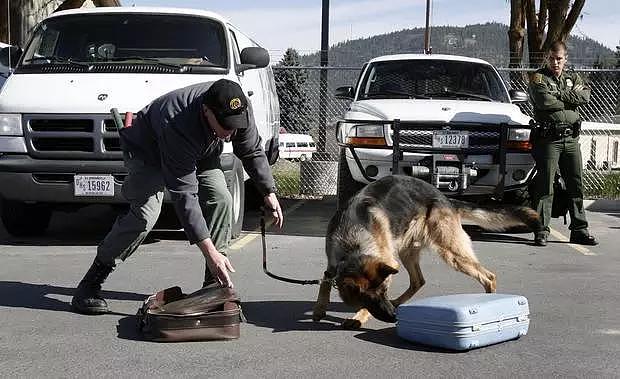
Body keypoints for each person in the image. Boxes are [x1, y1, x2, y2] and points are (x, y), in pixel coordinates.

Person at [71, 79, 284, 314]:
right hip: (149, 152)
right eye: (225, 125)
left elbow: (251, 150)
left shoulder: (238, 107)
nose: (231, 132)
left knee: (221, 198)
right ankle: (90, 283)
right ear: (206, 111)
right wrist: (210, 252)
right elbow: (185, 195)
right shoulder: (177, 121)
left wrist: (268, 192)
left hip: (200, 151)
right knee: (145, 217)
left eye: (235, 124)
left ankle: (212, 287)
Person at [528, 41, 597, 247]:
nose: (555, 62)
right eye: (551, 58)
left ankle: (579, 229)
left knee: (576, 184)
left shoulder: (573, 77)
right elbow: (544, 102)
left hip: (571, 139)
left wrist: (558, 94)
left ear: (565, 58)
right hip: (549, 140)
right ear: (546, 58)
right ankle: (541, 230)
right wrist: (569, 99)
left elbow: (585, 96)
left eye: (559, 59)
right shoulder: (538, 77)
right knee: (545, 186)